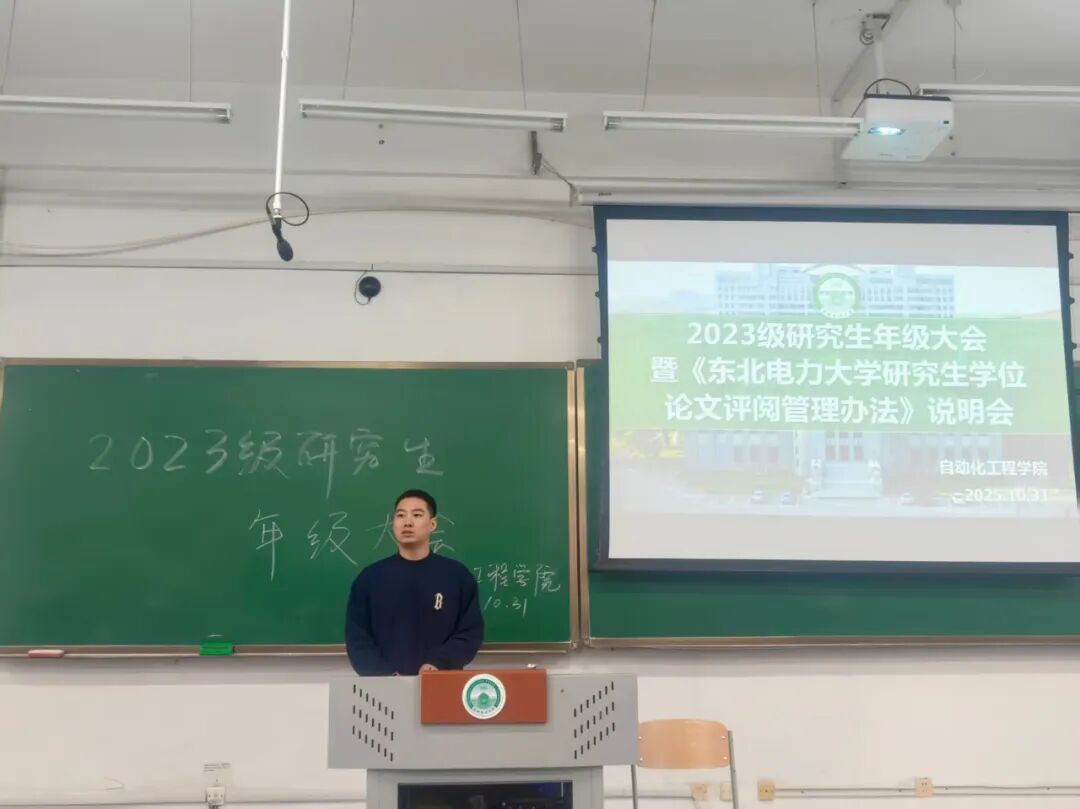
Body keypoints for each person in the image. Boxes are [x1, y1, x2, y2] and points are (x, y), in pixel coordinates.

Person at [345, 489, 484, 676]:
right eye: (400, 515)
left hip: (439, 680)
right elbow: (357, 638)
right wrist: (384, 674)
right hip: (384, 687)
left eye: (417, 515)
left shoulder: (457, 576)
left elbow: (469, 633)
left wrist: (438, 663)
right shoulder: (370, 578)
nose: (407, 522)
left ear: (432, 524)